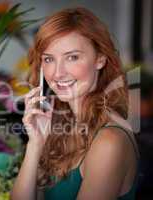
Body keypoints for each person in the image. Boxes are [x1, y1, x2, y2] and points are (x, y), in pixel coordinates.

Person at [11, 7, 139, 200]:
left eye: (72, 57)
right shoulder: (59, 124)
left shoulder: (109, 142)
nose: (57, 73)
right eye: (49, 59)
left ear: (100, 59)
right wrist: (35, 144)